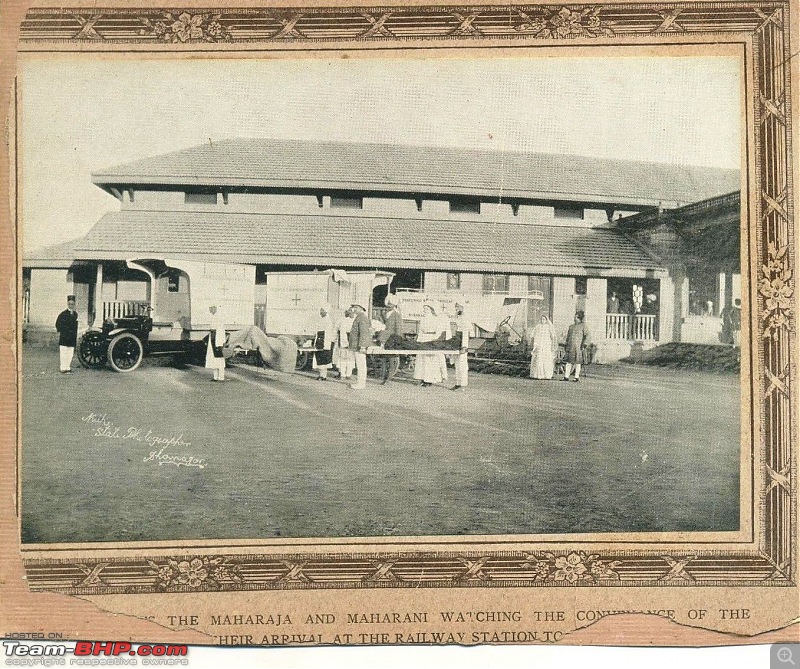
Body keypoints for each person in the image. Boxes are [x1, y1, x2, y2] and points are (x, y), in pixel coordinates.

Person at [413, 301, 447, 387]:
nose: (425, 310)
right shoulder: (422, 319)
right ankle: (421, 378)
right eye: (424, 309)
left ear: (431, 309)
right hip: (423, 339)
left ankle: (429, 380)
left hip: (431, 339)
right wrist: (419, 341)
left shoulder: (435, 319)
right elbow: (420, 331)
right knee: (422, 359)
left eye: (427, 309)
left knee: (430, 361)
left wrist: (435, 341)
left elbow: (438, 331)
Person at [348, 303, 372, 390]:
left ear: (361, 308)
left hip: (359, 346)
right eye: (354, 307)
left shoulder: (362, 318)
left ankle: (361, 384)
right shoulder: (359, 317)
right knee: (360, 364)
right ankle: (360, 382)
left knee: (361, 365)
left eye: (356, 307)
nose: (354, 309)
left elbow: (364, 333)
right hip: (357, 345)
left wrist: (362, 346)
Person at [563, 311, 591, 382]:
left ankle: (576, 377)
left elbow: (587, 336)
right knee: (568, 362)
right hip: (570, 346)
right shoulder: (571, 327)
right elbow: (568, 337)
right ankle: (566, 376)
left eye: (575, 317)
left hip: (578, 347)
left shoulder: (583, 326)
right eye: (574, 317)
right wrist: (566, 344)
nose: (574, 318)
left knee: (578, 362)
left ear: (579, 318)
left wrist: (584, 344)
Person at [55, 295, 79, 373]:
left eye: (72, 304)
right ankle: (63, 367)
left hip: (72, 337)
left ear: (74, 304)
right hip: (64, 337)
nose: (71, 306)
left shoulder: (75, 314)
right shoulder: (63, 314)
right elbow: (58, 324)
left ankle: (68, 367)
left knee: (70, 353)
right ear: (67, 304)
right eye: (69, 304)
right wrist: (64, 331)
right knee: (63, 353)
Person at [529, 314, 558, 380]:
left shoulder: (548, 327)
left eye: (544, 319)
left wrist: (552, 344)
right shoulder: (538, 326)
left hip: (546, 345)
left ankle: (546, 374)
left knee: (546, 359)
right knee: (539, 358)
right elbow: (533, 335)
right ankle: (538, 374)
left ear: (546, 320)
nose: (542, 321)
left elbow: (552, 336)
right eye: (541, 319)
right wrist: (534, 343)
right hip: (539, 344)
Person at [313, 304, 336, 381]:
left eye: (322, 310)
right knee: (319, 358)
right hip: (319, 340)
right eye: (320, 310)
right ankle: (321, 374)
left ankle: (323, 376)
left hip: (324, 341)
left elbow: (327, 333)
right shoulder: (321, 319)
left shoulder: (328, 321)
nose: (320, 312)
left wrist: (324, 343)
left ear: (326, 311)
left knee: (323, 358)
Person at [452, 301, 470, 390]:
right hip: (457, 341)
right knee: (457, 364)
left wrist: (464, 346)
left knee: (462, 364)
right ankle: (458, 383)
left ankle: (463, 384)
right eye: (456, 306)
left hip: (463, 343)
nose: (456, 308)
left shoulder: (465, 318)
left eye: (458, 306)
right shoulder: (458, 317)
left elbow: (465, 333)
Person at [205, 305, 226, 382]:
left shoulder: (219, 317)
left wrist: (221, 343)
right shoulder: (211, 317)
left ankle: (221, 377)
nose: (210, 309)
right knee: (213, 358)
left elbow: (221, 331)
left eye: (212, 308)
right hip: (212, 337)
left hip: (218, 339)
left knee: (219, 358)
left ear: (215, 309)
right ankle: (215, 377)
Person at [333, 307, 355, 380]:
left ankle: (349, 374)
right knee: (343, 359)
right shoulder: (343, 321)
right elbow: (342, 333)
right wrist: (345, 343)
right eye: (350, 312)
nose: (352, 313)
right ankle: (342, 374)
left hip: (353, 341)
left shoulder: (355, 320)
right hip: (344, 341)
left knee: (351, 358)